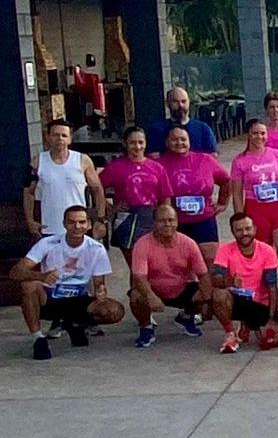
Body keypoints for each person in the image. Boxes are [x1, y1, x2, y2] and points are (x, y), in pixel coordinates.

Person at [13, 204, 123, 359]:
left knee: (114, 311)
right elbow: (16, 272)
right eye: (72, 222)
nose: (77, 227)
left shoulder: (97, 249)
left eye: (82, 222)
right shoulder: (48, 243)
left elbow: (99, 282)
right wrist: (41, 276)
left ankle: (76, 324)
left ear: (88, 224)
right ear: (64, 224)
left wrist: (100, 291)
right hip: (50, 296)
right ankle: (38, 338)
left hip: (79, 298)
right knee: (28, 286)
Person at [128, 204, 212, 347]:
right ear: (154, 223)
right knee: (136, 295)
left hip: (182, 289)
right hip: (154, 289)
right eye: (162, 221)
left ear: (177, 222)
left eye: (171, 220)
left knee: (206, 291)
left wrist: (209, 301)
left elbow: (203, 275)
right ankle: (146, 326)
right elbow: (139, 277)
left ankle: (186, 317)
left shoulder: (189, 243)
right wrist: (151, 297)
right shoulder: (142, 244)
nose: (167, 224)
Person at [100, 125, 173, 265]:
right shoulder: (116, 167)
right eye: (132, 143)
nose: (137, 146)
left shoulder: (157, 168)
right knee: (136, 266)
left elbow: (165, 197)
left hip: (152, 216)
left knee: (154, 264)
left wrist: (166, 220)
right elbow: (96, 187)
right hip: (127, 218)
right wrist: (110, 207)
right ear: (125, 144)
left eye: (141, 142)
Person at [24, 118, 105, 240]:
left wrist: (100, 219)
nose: (60, 138)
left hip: (78, 227)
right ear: (48, 137)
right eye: (56, 135)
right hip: (49, 227)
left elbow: (97, 190)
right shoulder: (38, 162)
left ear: (70, 138)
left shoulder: (82, 160)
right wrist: (30, 221)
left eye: (64, 135)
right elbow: (28, 192)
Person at [211, 212, 278, 354]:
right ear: (232, 232)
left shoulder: (266, 250)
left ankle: (248, 325)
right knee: (219, 295)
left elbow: (272, 286)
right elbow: (215, 280)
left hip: (259, 303)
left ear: (254, 228)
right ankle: (230, 333)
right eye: (239, 230)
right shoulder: (225, 250)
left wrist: (272, 318)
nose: (244, 233)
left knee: (270, 341)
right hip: (236, 301)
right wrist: (229, 281)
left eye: (248, 229)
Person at [230, 119, 278, 264]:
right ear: (248, 135)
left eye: (263, 133)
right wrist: (239, 218)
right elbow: (236, 193)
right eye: (255, 133)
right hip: (255, 209)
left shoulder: (277, 155)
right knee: (262, 257)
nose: (259, 137)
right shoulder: (239, 160)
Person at [158, 126, 230, 261]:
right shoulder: (159, 164)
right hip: (175, 223)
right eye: (174, 140)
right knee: (180, 263)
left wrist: (222, 203)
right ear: (167, 142)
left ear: (189, 141)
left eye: (183, 139)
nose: (179, 143)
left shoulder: (205, 159)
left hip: (204, 220)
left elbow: (226, 180)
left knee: (210, 261)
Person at [146, 86, 219, 156]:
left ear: (189, 102)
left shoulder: (203, 129)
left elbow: (213, 156)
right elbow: (151, 158)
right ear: (167, 103)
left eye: (183, 101)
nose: (180, 105)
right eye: (175, 101)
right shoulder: (156, 130)